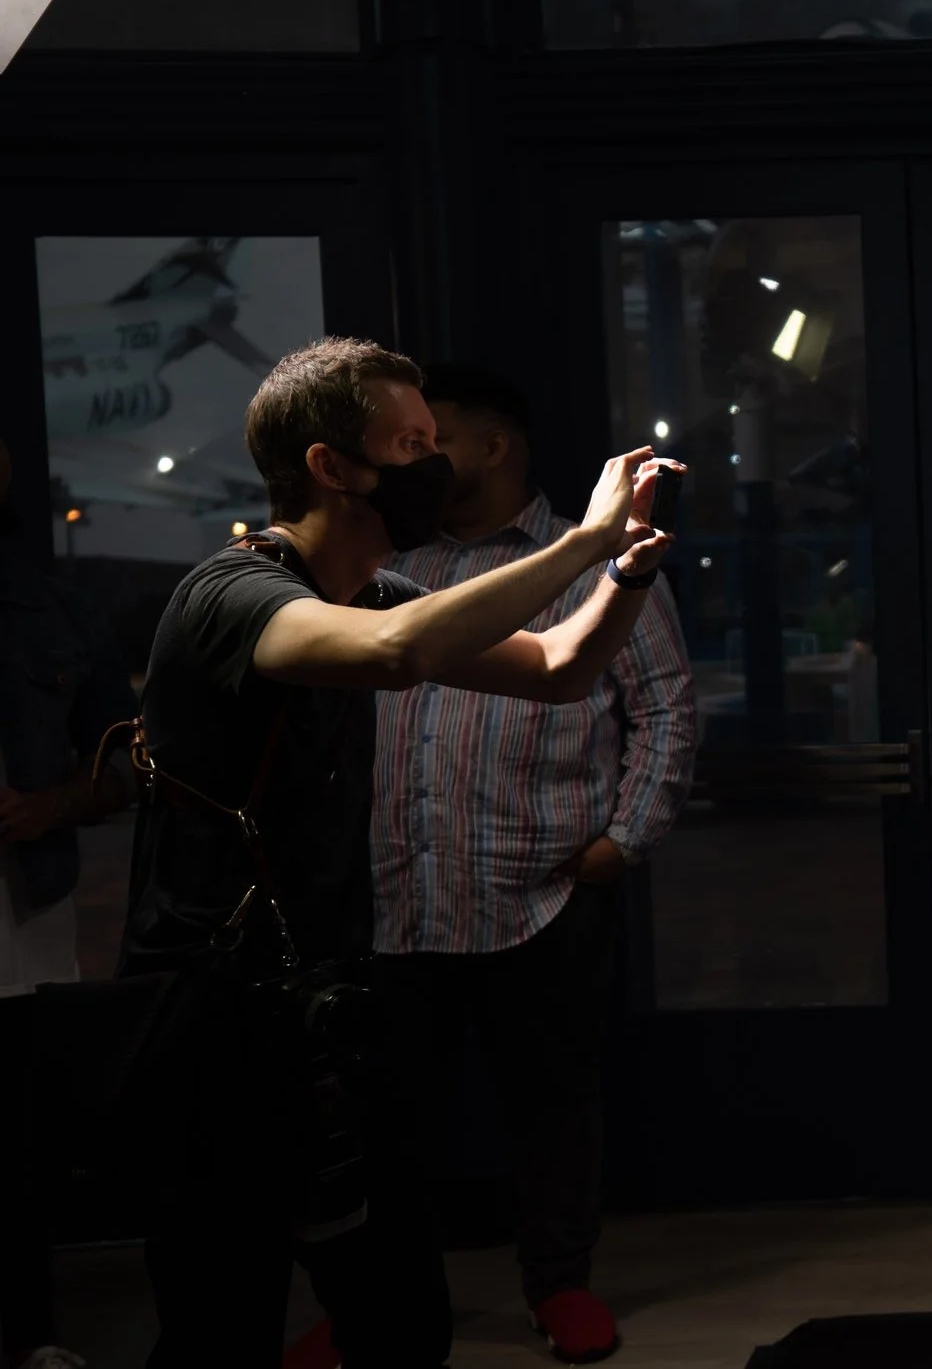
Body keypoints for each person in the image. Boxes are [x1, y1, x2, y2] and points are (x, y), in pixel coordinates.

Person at [115, 337, 681, 1368]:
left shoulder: (367, 593)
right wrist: (582, 542)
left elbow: (558, 666)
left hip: (326, 1006)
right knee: (219, 1325)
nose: (437, 463)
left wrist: (626, 569)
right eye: (412, 444)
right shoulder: (234, 596)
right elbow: (398, 654)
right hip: (213, 1023)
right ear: (332, 466)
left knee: (402, 1317)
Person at [368, 365, 695, 1364]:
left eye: (432, 438)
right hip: (393, 893)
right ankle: (371, 1303)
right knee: (384, 1122)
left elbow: (664, 706)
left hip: (542, 891)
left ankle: (560, 1287)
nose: (415, 458)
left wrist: (622, 841)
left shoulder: (594, 556)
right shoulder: (387, 559)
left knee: (553, 1110)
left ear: (494, 444)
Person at [0, 438, 134, 1369]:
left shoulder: (52, 610)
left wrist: (50, 806)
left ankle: (33, 1334)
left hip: (22, 921)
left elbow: (126, 759)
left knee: (18, 1147)